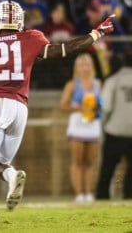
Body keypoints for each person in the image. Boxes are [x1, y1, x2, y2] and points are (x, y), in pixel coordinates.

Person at [0, 1, 114, 220]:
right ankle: (11, 176)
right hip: (20, 108)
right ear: (20, 20)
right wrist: (96, 33)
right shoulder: (31, 38)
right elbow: (65, 50)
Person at [60, 53, 102, 202]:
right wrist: (79, 108)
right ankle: (79, 194)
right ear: (77, 68)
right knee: (77, 161)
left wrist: (97, 108)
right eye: (82, 65)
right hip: (77, 124)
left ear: (92, 67)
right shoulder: (72, 84)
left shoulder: (97, 84)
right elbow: (63, 105)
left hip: (93, 124)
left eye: (87, 65)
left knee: (90, 161)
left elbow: (102, 103)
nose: (85, 68)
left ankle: (88, 193)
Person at [96, 53, 132, 199]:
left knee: (107, 169)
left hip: (115, 132)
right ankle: (129, 197)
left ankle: (102, 197)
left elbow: (106, 107)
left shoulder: (113, 80)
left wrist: (103, 127)